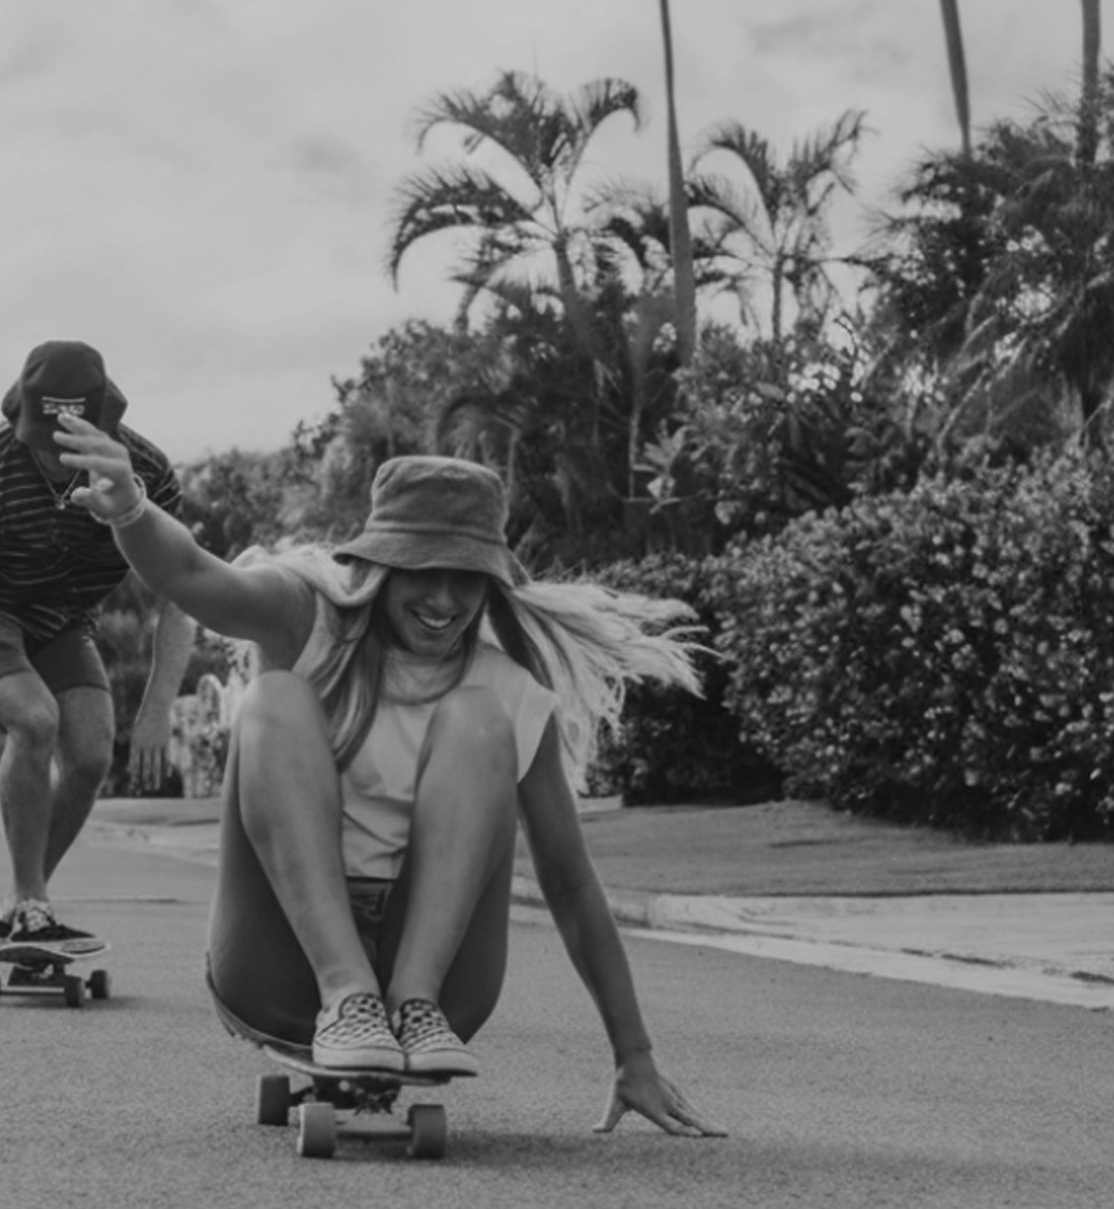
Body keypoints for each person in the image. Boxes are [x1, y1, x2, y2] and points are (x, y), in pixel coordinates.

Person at [52, 423, 723, 1137]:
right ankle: (348, 996)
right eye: (420, 571)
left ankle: (410, 1002)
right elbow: (191, 577)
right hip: (278, 965)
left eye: (464, 578)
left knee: (479, 718)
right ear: (380, 566)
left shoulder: (509, 690)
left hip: (442, 987)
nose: (442, 600)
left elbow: (570, 881)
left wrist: (634, 1055)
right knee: (273, 698)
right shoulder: (306, 619)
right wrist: (128, 509)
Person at [0, 341, 196, 949]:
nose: (54, 460)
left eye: (68, 445)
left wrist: (158, 711)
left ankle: (21, 897)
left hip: (61, 611)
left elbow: (182, 595)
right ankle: (32, 900)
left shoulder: (147, 474)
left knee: (90, 753)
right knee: (34, 719)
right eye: (42, 443)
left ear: (102, 427)